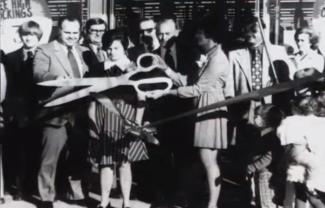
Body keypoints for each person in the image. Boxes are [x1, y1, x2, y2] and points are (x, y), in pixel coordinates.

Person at [149, 17, 234, 208]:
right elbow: (189, 80)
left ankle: (212, 204)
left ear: (211, 37)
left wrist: (165, 91)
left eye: (200, 35)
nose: (197, 38)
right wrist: (168, 70)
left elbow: (196, 89)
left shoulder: (217, 59)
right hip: (202, 106)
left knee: (208, 161)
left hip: (209, 108)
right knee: (205, 161)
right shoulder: (211, 55)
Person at [88, 30, 149, 208]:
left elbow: (142, 98)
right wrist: (93, 124)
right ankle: (104, 202)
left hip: (127, 117)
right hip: (103, 117)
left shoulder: (134, 69)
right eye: (108, 48)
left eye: (116, 48)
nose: (111, 52)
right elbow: (91, 99)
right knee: (105, 163)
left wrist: (136, 124)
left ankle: (126, 202)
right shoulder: (97, 69)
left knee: (124, 161)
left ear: (124, 49)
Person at [33, 16, 89, 208]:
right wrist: (56, 77)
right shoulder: (45, 50)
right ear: (59, 31)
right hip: (55, 111)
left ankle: (76, 194)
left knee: (78, 156)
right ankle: (46, 197)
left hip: (81, 112)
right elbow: (38, 74)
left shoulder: (85, 51)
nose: (72, 36)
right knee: (50, 157)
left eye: (75, 32)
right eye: (68, 32)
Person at [3, 20, 42, 200]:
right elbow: (7, 87)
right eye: (25, 35)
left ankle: (32, 187)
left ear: (38, 36)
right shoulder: (10, 58)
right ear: (21, 36)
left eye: (33, 35)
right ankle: (18, 188)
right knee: (18, 153)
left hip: (38, 111)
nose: (29, 38)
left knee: (35, 151)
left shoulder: (44, 55)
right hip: (17, 114)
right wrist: (9, 112)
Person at [277, 94, 325, 208]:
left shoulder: (290, 121)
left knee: (301, 192)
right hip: (315, 158)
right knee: (313, 192)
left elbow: (283, 139)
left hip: (297, 157)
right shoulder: (320, 121)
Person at [246, 104, 284, 208]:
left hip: (267, 174)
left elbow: (270, 156)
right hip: (260, 173)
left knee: (266, 202)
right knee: (260, 201)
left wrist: (253, 166)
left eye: (258, 116)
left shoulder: (271, 136)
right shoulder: (260, 134)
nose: (255, 118)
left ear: (268, 119)